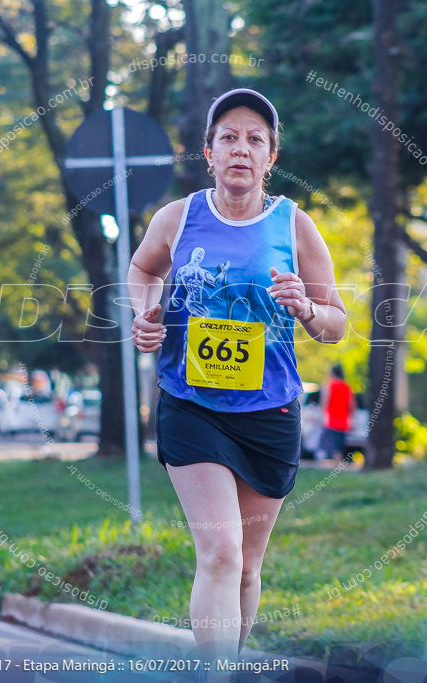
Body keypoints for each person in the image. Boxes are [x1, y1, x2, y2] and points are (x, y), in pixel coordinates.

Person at [127, 88, 346, 668]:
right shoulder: (178, 218)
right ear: (209, 152)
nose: (241, 149)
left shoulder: (296, 227)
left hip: (269, 411)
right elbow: (144, 269)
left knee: (248, 565)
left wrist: (305, 309)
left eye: (255, 139)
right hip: (190, 402)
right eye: (229, 137)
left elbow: (336, 325)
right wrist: (145, 313)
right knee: (220, 552)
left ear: (272, 156)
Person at [317, 365, 354, 462]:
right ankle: (339, 461)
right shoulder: (347, 387)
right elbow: (352, 405)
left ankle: (337, 463)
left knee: (333, 443)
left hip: (332, 419)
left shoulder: (329, 386)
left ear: (332, 374)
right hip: (344, 420)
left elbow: (324, 403)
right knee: (340, 443)